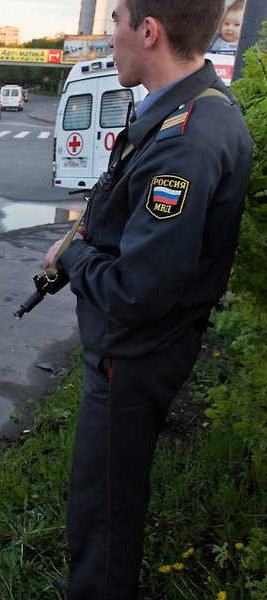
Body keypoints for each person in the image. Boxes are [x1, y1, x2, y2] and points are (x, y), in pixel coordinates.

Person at [43, 0, 253, 597]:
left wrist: (72, 258)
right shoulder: (191, 110)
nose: (111, 35)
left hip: (132, 356)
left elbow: (137, 291)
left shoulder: (186, 140)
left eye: (116, 21)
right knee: (107, 503)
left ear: (150, 31)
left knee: (102, 515)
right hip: (143, 349)